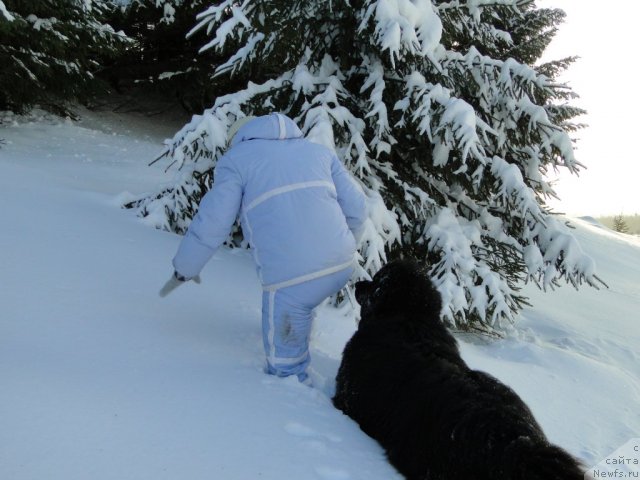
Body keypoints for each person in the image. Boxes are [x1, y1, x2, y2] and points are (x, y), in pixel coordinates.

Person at [160, 113, 368, 384]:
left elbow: (214, 222)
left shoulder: (237, 161)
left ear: (240, 137)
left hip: (291, 278)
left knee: (286, 369)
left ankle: (299, 402)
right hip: (341, 262)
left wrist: (185, 269)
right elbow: (357, 209)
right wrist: (342, 246)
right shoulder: (318, 152)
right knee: (307, 296)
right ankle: (302, 329)